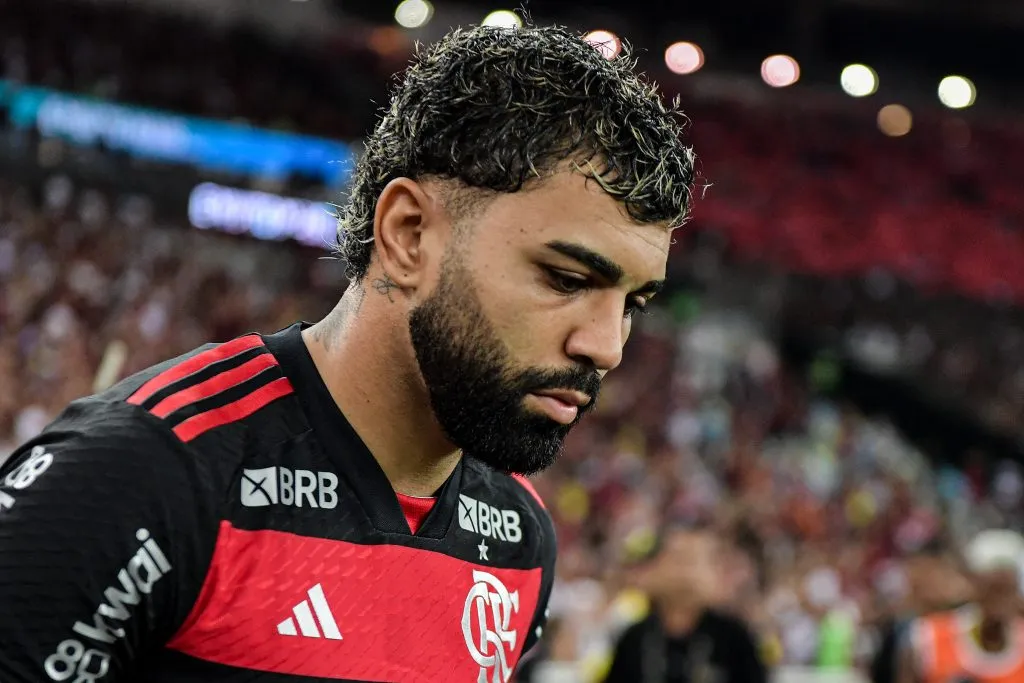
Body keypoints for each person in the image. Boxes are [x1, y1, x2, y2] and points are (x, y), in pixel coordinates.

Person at [0, 21, 696, 683]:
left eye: (633, 303)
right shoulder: (141, 477)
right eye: (567, 279)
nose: (606, 347)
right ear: (409, 233)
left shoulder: (519, 540)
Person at [602, 523, 768, 683]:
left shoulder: (735, 639)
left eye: (693, 561)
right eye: (677, 559)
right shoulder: (635, 639)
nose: (685, 573)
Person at [898, 529, 1024, 683]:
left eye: (1006, 591)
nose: (999, 604)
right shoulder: (928, 638)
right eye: (992, 591)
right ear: (974, 586)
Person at [870, 538, 969, 683]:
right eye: (916, 572)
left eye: (930, 572)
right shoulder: (899, 626)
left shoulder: (963, 621)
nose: (922, 581)